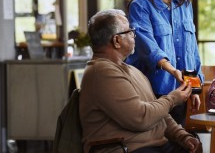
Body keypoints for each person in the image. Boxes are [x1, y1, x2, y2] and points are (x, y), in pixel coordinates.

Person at [79, 9, 201, 153]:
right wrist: (173, 99)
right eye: (130, 32)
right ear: (117, 40)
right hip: (126, 149)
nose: (134, 36)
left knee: (196, 145)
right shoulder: (101, 72)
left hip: (154, 146)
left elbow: (158, 115)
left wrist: (183, 137)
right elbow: (141, 118)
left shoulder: (131, 70)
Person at [126, 0, 203, 125]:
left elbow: (191, 51)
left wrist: (195, 88)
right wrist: (172, 70)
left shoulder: (184, 4)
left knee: (178, 143)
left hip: (180, 91)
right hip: (151, 92)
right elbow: (148, 48)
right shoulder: (140, 5)